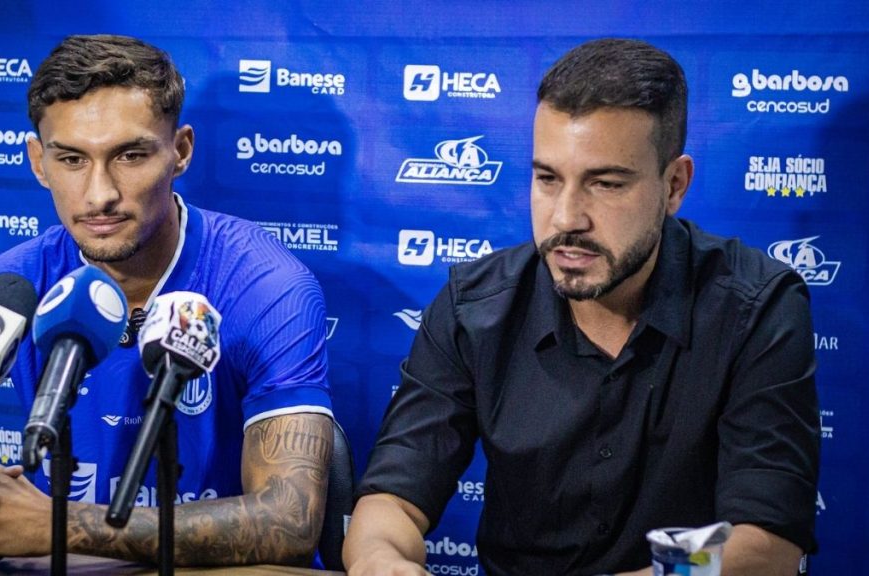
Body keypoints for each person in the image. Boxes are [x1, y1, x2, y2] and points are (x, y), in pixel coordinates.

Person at [343, 38, 819, 576]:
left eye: (606, 183)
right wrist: (381, 563)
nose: (567, 217)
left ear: (674, 185)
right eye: (548, 178)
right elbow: (391, 502)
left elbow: (764, 545)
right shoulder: (473, 308)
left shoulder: (756, 308)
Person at [0, 34, 334, 567]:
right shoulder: (8, 288)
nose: (99, 193)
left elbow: (290, 520)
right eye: (72, 159)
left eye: (130, 155)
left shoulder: (266, 284)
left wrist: (61, 526)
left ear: (180, 151)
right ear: (39, 162)